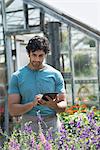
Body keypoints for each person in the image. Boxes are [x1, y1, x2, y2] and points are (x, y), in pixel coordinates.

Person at [8, 35, 67, 137]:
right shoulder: (17, 76)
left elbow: (63, 106)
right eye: (34, 55)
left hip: (51, 123)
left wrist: (51, 104)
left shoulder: (55, 75)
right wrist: (32, 104)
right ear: (28, 54)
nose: (37, 59)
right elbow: (13, 110)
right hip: (29, 125)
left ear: (45, 55)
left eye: (41, 56)